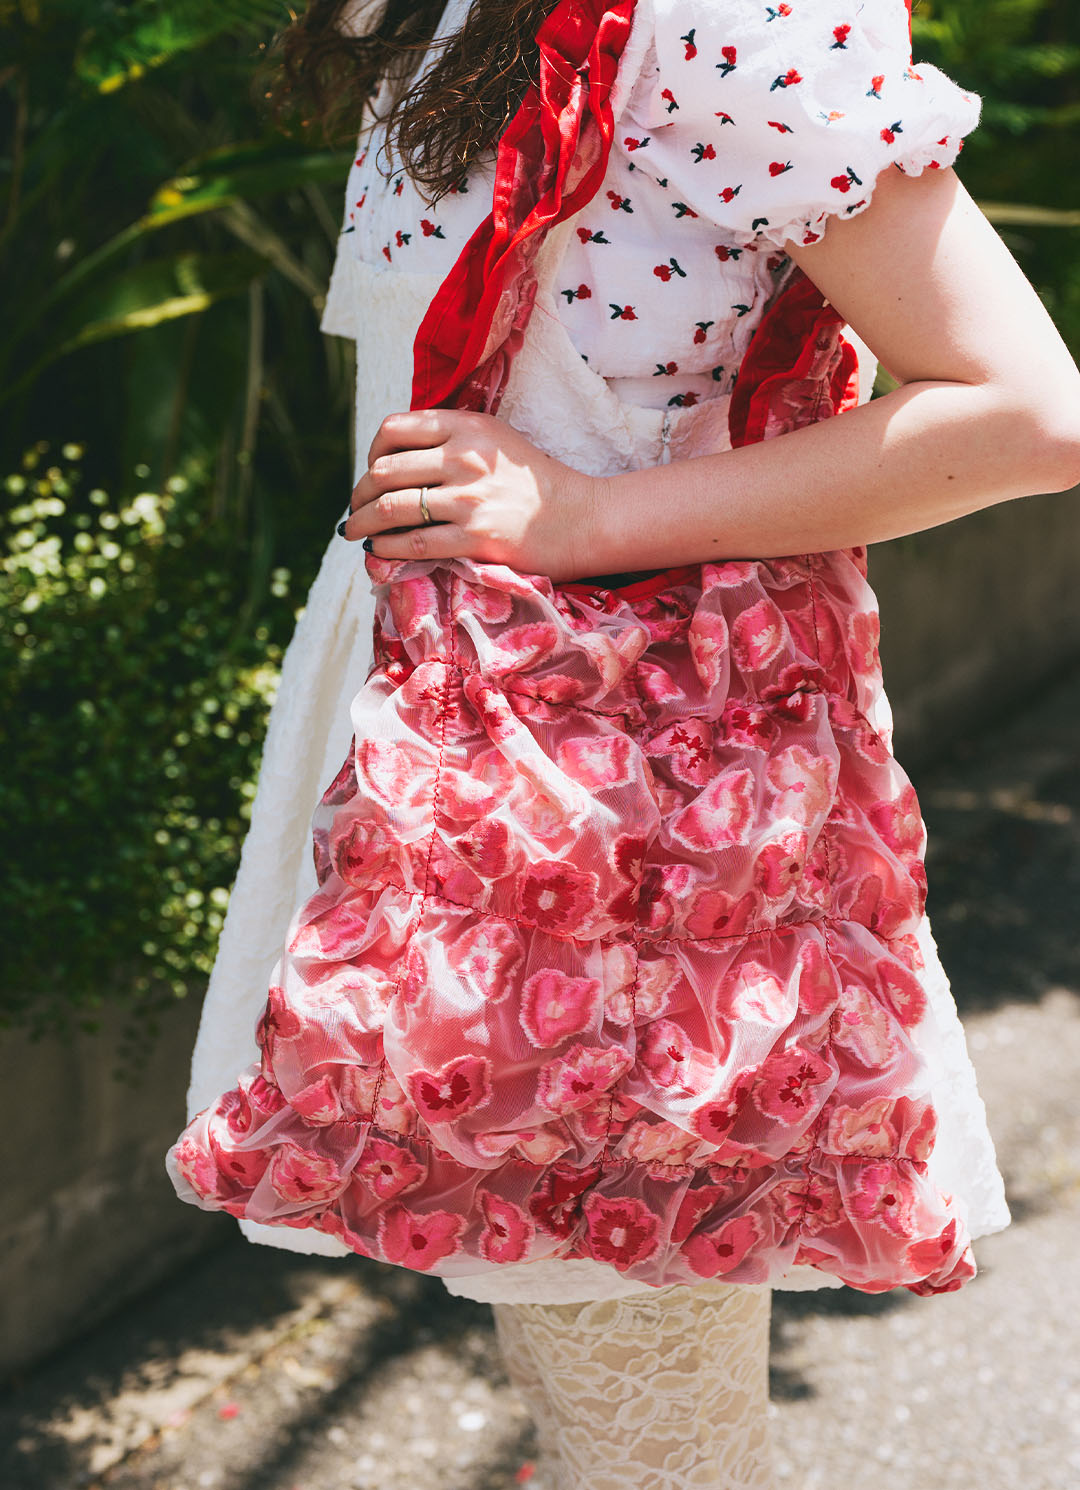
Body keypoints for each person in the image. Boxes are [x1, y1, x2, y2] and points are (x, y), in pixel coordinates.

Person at [167, 1, 1080, 1485]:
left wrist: (589, 518)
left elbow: (1030, 411)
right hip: (479, 766)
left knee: (654, 1447)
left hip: (616, 818)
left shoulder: (710, 19)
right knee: (595, 1398)